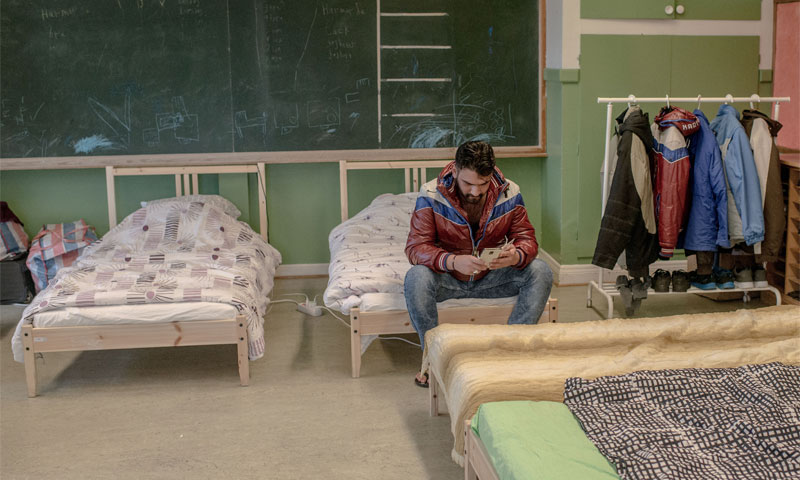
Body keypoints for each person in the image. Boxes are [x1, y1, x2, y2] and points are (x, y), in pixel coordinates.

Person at [404, 140, 553, 387]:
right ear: (454, 171)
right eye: (468, 184)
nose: (475, 191)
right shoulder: (430, 194)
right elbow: (416, 248)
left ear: (492, 172)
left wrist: (516, 255)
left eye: (482, 184)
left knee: (541, 271)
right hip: (448, 279)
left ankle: (512, 353)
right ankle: (432, 360)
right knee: (416, 277)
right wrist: (452, 261)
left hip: (491, 277)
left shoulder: (510, 191)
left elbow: (526, 239)